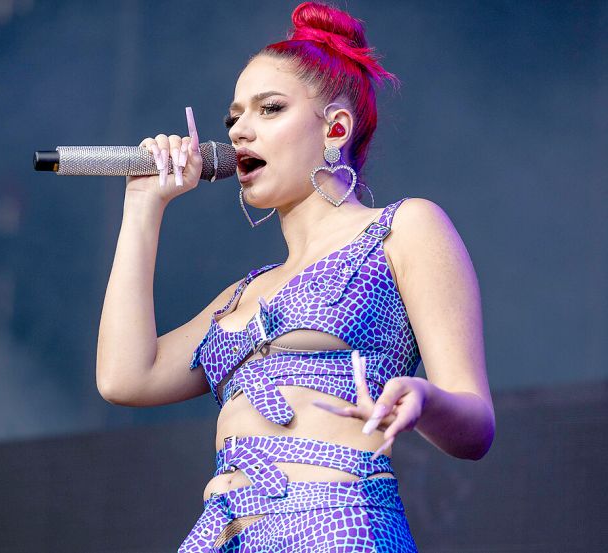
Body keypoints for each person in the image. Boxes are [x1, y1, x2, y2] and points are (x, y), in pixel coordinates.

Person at [95, 2, 495, 551]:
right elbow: (124, 377)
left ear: (335, 127)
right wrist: (143, 204)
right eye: (233, 117)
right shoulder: (241, 295)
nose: (240, 131)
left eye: (269, 109)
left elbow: (475, 425)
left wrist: (425, 398)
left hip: (334, 527)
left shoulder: (401, 229)